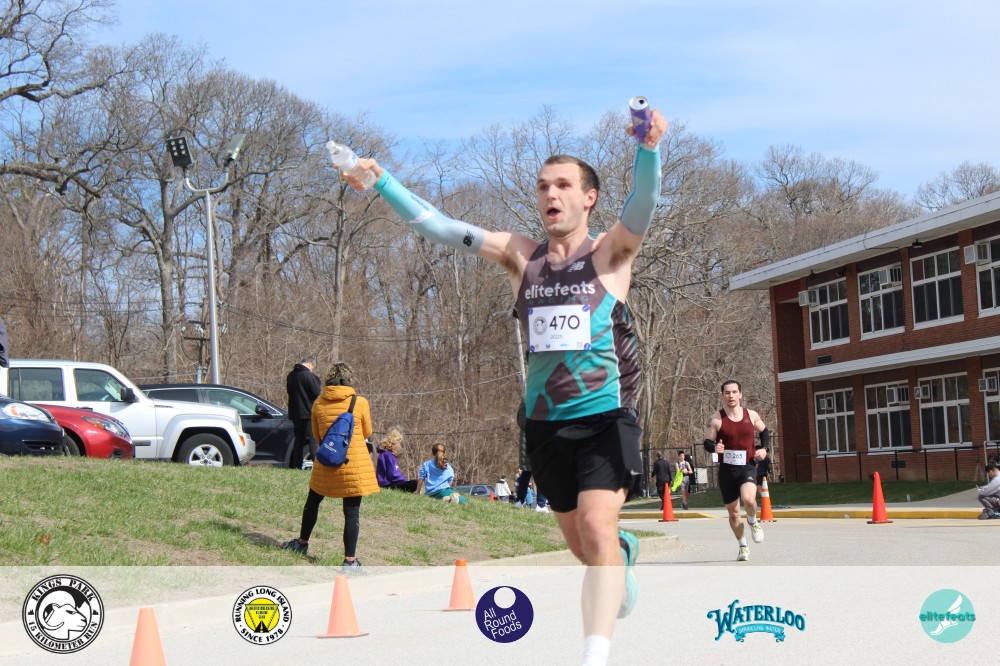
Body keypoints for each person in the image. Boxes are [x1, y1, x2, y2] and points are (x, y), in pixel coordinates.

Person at [340, 105, 666, 666]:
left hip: (605, 417)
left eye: (563, 185)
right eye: (543, 186)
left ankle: (594, 653)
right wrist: (382, 181)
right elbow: (441, 227)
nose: (550, 194)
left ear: (589, 198)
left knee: (595, 524)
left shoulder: (610, 254)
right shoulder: (520, 256)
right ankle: (618, 557)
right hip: (544, 425)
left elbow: (642, 203)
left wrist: (649, 149)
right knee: (585, 547)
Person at [282, 362, 378, 573]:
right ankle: (349, 561)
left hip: (327, 462)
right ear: (349, 380)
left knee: (312, 502)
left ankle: (301, 543)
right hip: (352, 464)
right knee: (351, 512)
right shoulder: (360, 402)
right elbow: (367, 432)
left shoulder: (318, 403)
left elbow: (316, 436)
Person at [704, 380, 769, 562]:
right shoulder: (716, 419)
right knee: (733, 513)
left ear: (740, 394)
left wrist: (764, 449)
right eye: (727, 393)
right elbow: (707, 442)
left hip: (747, 465)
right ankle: (742, 546)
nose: (731, 396)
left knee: (749, 499)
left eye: (734, 392)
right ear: (722, 395)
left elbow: (765, 432)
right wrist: (714, 448)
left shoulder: (751, 415)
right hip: (727, 470)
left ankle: (753, 521)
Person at [286, 355, 322, 470]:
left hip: (295, 413)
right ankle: (317, 466)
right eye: (313, 367)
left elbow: (289, 392)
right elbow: (317, 392)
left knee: (299, 440)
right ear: (310, 364)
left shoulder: (291, 375)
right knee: (312, 439)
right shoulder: (308, 376)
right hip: (308, 412)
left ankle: (296, 465)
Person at [376, 427, 418, 492]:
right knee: (415, 483)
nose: (399, 444)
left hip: (385, 483)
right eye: (399, 441)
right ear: (394, 441)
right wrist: (403, 480)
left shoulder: (385, 453)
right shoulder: (388, 455)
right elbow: (393, 474)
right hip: (388, 484)